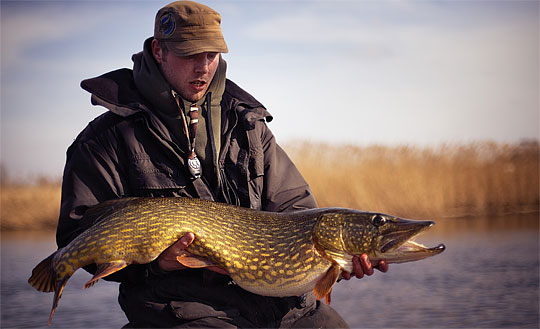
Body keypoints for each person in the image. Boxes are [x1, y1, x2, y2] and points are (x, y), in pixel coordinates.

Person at [55, 1, 388, 328]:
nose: (203, 67)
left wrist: (333, 259)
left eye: (211, 55)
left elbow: (295, 210)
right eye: (190, 55)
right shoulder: (105, 139)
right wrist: (157, 264)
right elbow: (80, 236)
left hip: (280, 306)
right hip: (181, 309)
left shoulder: (248, 124)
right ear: (159, 51)